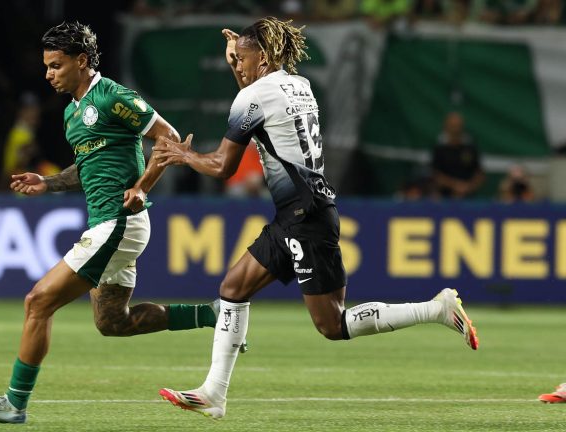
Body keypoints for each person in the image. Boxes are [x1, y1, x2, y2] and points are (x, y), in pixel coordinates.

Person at [152, 17, 479, 420]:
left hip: (304, 216)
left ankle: (436, 309)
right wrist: (236, 60)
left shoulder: (254, 96)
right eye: (235, 60)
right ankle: (213, 393)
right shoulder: (300, 86)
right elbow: (255, 106)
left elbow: (222, 166)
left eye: (243, 59)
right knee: (233, 288)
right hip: (304, 211)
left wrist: (182, 154)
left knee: (332, 325)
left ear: (265, 57)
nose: (237, 65)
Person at [0, 22, 230, 424]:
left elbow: (168, 136)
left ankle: (14, 404)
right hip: (110, 224)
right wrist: (48, 182)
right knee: (113, 322)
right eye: (47, 66)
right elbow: (85, 168)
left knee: (38, 301)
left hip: (118, 223)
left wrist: (142, 186)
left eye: (56, 65)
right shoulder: (72, 112)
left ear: (82, 61)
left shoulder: (112, 96)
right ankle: (216, 316)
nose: (49, 74)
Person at [431, 111, 485, 199]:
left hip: (468, 198)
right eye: (452, 126)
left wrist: (467, 187)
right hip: (445, 198)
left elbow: (480, 174)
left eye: (458, 125)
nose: (455, 129)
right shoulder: (439, 148)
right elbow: (435, 174)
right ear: (446, 127)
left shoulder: (470, 147)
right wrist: (455, 186)